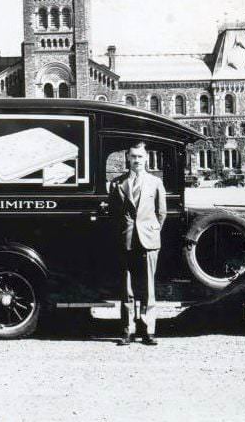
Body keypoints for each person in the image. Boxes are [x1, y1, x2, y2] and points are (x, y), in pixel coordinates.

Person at [109, 141, 166, 346]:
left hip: (148, 240)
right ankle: (127, 330)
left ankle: (148, 330)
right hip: (126, 240)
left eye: (140, 157)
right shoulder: (117, 183)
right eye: (133, 157)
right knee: (127, 288)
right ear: (128, 158)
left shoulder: (155, 182)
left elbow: (161, 212)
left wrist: (152, 229)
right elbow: (114, 214)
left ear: (146, 158)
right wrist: (122, 232)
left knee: (148, 287)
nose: (136, 160)